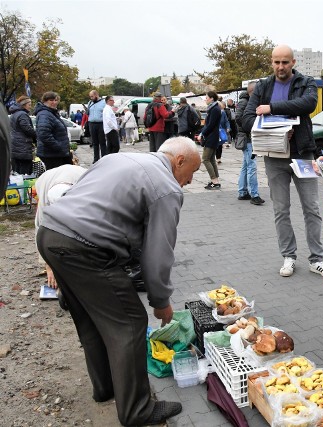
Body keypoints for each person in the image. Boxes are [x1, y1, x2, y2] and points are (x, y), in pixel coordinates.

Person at [36, 136, 201, 425]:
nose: (188, 181)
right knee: (130, 322)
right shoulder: (167, 188)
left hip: (49, 234)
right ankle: (137, 411)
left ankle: (106, 388)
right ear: (180, 160)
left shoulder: (119, 157)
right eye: (192, 174)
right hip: (84, 248)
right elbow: (159, 253)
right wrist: (160, 302)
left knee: (90, 318)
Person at [242, 44, 323, 278]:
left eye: (285, 62)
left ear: (293, 63)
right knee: (281, 210)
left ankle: (317, 259)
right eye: (276, 62)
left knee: (312, 208)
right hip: (274, 156)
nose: (280, 67)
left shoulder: (306, 82)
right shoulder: (263, 86)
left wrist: (270, 109)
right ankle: (289, 256)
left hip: (303, 153)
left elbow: (308, 104)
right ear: (271, 62)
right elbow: (247, 118)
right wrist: (274, 132)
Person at [34, 164, 87, 307]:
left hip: (77, 178)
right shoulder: (45, 199)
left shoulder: (86, 186)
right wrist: (49, 268)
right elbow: (40, 231)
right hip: (49, 179)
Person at [236, 81, 264, 205]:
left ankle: (242, 192)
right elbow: (238, 119)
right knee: (251, 166)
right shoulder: (245, 102)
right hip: (248, 138)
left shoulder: (246, 101)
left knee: (246, 166)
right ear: (253, 91)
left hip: (247, 138)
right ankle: (254, 194)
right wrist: (250, 126)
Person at [35, 92, 72, 170]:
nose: (54, 102)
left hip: (56, 154)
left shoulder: (51, 113)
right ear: (45, 101)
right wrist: (58, 146)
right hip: (52, 155)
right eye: (51, 100)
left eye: (56, 100)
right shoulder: (44, 114)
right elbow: (44, 134)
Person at [197, 91, 222, 189]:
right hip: (212, 136)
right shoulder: (214, 108)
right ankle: (216, 180)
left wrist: (202, 133)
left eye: (206, 97)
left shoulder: (214, 109)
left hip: (211, 137)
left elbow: (210, 125)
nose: (205, 99)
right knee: (211, 159)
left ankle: (214, 181)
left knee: (205, 159)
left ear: (211, 98)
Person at [9, 95, 36, 175]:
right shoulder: (22, 114)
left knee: (16, 171)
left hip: (15, 145)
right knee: (25, 172)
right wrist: (36, 135)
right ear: (24, 105)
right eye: (29, 105)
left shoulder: (14, 114)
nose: (30, 107)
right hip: (23, 146)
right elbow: (27, 129)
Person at [87, 90, 107, 163]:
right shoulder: (90, 103)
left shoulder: (103, 102)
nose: (91, 98)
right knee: (94, 142)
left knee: (102, 142)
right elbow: (88, 113)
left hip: (100, 123)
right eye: (90, 96)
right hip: (92, 123)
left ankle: (104, 158)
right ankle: (96, 159)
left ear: (96, 95)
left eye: (92, 96)